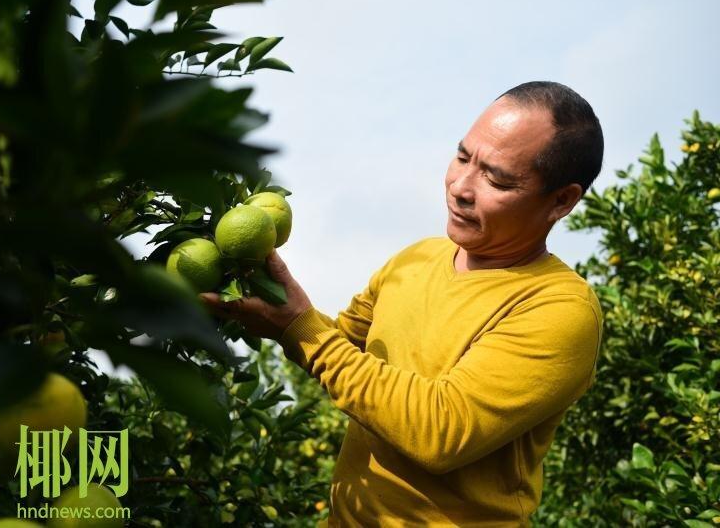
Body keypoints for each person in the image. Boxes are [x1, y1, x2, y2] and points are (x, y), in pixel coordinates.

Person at [200, 81, 605, 527]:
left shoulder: (559, 308)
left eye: (496, 178)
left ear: (561, 200)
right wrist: (256, 284)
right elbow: (341, 351)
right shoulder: (418, 258)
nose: (461, 187)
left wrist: (298, 327)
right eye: (463, 156)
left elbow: (442, 431)